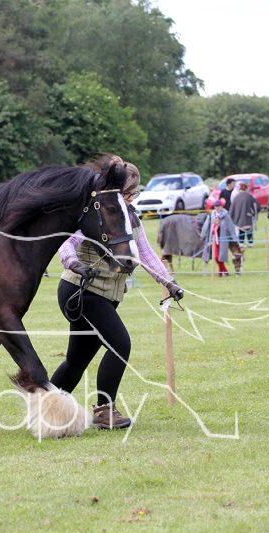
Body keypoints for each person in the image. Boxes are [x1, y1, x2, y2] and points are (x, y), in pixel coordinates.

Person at [54, 161, 184, 430]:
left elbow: (145, 253)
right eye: (127, 193)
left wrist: (168, 282)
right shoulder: (96, 211)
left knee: (76, 361)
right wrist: (73, 263)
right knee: (120, 344)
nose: (131, 198)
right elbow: (67, 242)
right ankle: (105, 411)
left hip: (105, 295)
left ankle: (46, 404)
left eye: (134, 193)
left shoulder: (131, 217)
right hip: (82, 290)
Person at [201, 200, 238, 276]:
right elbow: (207, 225)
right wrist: (203, 235)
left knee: (221, 256)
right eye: (215, 206)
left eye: (218, 206)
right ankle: (224, 270)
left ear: (221, 206)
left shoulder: (226, 215)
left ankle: (221, 272)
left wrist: (234, 238)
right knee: (215, 256)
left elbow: (230, 227)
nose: (217, 208)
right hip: (213, 238)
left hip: (222, 239)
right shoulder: (212, 214)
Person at [229, 181, 261, 247]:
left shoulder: (237, 197)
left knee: (241, 231)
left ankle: (241, 243)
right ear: (246, 188)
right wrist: (254, 214)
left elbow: (232, 208)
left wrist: (233, 216)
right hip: (248, 216)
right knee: (249, 230)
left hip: (239, 217)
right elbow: (256, 206)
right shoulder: (249, 196)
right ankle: (250, 243)